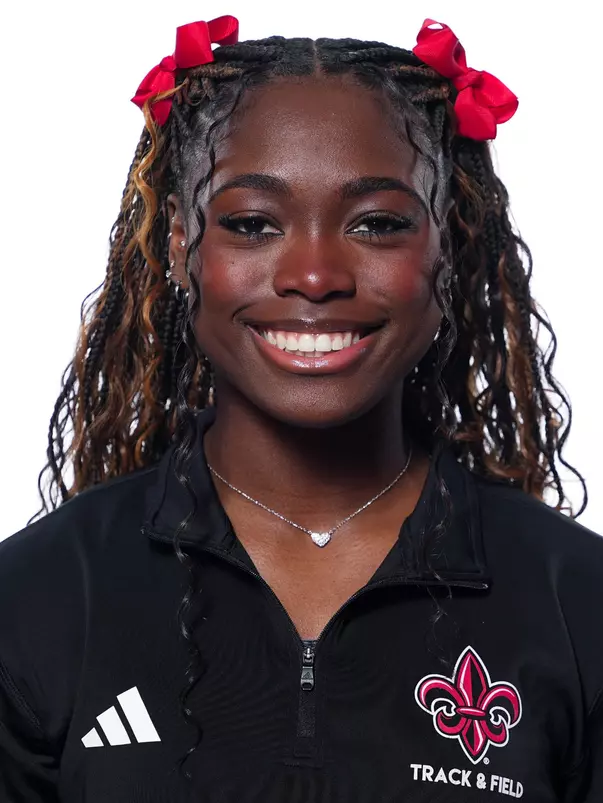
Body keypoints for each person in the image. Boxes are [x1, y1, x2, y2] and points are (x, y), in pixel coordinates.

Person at [0, 12, 601, 802]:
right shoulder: (37, 595)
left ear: (445, 245)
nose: (314, 276)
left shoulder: (577, 598)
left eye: (377, 224)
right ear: (181, 244)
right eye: (252, 224)